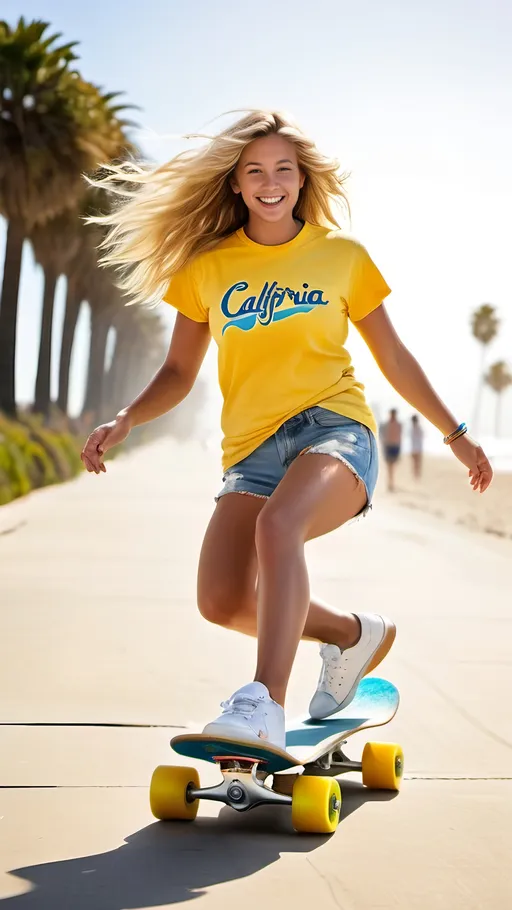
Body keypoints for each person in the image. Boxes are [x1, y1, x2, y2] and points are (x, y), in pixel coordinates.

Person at [81, 111, 493, 750]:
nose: (270, 182)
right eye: (255, 171)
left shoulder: (342, 257)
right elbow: (178, 369)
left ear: (301, 181)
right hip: (250, 452)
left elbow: (394, 357)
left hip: (335, 431)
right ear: (237, 186)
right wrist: (127, 417)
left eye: (283, 169)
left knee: (279, 526)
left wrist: (455, 432)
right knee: (219, 600)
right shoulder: (207, 267)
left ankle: (263, 702)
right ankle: (353, 634)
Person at [380, 409, 402, 492]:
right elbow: (382, 435)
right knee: (389, 466)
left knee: (393, 465)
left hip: (395, 446)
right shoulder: (385, 424)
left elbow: (400, 436)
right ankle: (390, 483)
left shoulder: (399, 424)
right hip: (388, 446)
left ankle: (391, 483)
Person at [410, 414, 424, 479]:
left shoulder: (412, 428)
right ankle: (417, 474)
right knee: (417, 462)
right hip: (418, 447)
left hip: (414, 448)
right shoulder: (419, 428)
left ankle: (416, 474)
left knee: (415, 462)